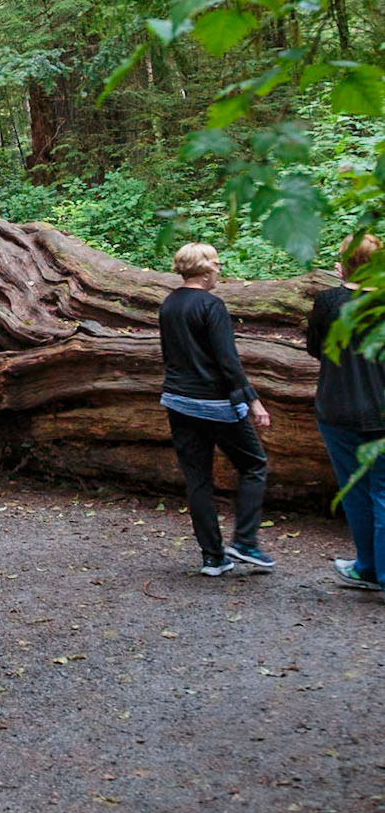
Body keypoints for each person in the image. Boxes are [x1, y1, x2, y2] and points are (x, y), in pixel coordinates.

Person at [158, 242, 274, 576]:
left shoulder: (169, 304)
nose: (220, 270)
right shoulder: (212, 305)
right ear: (206, 270)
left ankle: (212, 557)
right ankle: (245, 542)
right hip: (216, 404)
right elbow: (228, 361)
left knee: (197, 479)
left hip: (178, 401)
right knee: (253, 464)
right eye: (217, 265)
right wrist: (253, 400)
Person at [308, 233, 385, 594]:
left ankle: (367, 568)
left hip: (337, 408)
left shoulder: (327, 302)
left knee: (356, 491)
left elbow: (315, 349)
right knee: (383, 492)